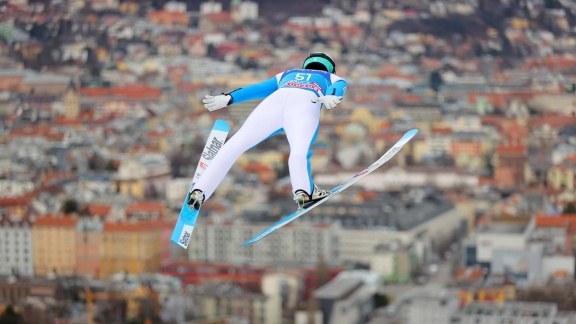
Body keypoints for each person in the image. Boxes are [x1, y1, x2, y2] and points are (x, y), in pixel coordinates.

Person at [188, 52, 347, 210]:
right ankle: (304, 193)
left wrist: (229, 98)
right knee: (299, 151)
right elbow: (338, 87)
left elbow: (258, 88)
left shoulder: (288, 73)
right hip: (306, 105)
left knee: (235, 145)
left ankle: (199, 191)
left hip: (272, 104)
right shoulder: (330, 77)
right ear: (330, 69)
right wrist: (332, 95)